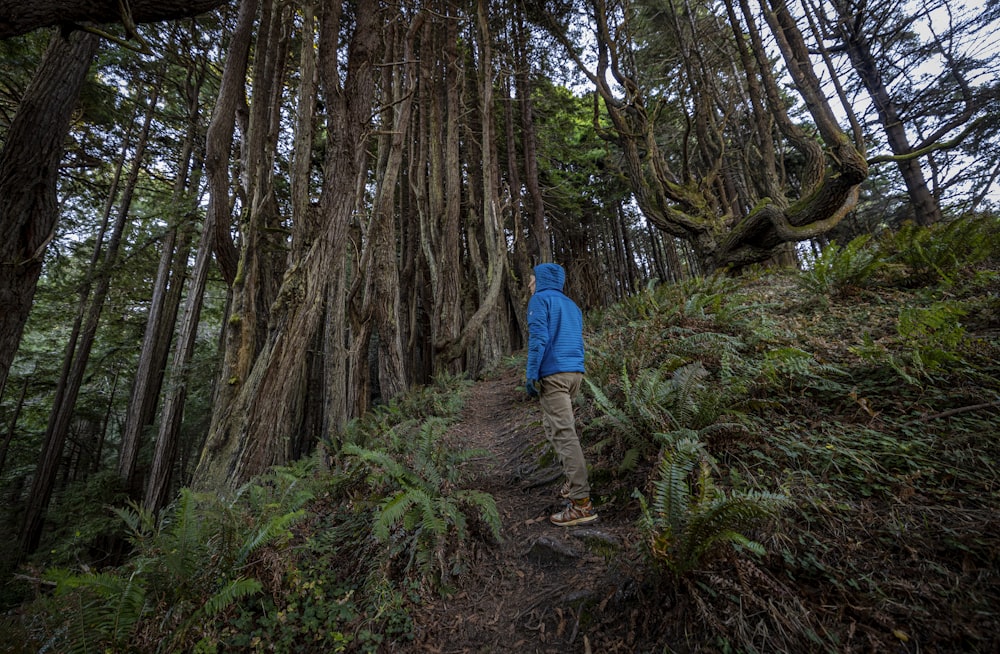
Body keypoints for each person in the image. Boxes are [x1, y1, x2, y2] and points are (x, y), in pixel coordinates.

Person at [525, 263, 597, 526]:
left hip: (553, 374)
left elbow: (539, 339)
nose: (529, 284)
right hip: (574, 374)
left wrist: (531, 374)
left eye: (531, 279)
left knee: (564, 434)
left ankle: (581, 503)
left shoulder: (539, 300)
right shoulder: (571, 305)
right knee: (553, 427)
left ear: (541, 280)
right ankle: (572, 480)